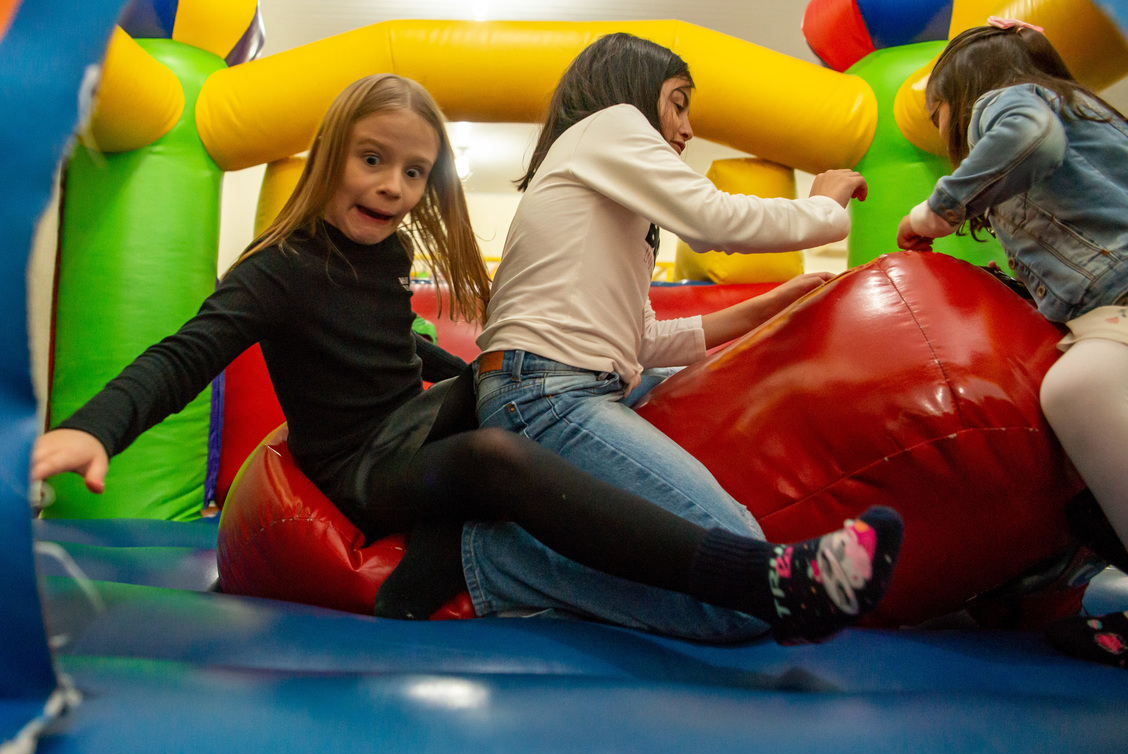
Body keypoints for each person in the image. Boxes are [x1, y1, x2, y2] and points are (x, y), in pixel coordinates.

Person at [31, 73, 899, 647]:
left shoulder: (386, 252)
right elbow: (187, 354)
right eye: (372, 161)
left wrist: (463, 376)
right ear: (333, 153)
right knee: (496, 445)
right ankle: (769, 578)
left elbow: (391, 348)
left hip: (408, 427)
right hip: (361, 467)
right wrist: (93, 429)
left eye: (413, 173)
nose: (392, 188)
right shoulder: (275, 270)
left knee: (532, 380)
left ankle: (448, 545)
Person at [468, 32, 903, 645]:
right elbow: (714, 220)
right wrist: (825, 211)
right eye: (678, 103)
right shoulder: (609, 125)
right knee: (743, 598)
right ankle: (500, 559)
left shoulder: (610, 192)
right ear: (635, 95)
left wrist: (761, 310)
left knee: (717, 408)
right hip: (543, 394)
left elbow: (640, 339)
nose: (688, 128)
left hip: (567, 386)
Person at [897, 18, 1128, 673]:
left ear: (963, 93)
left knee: (1081, 392)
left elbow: (1028, 138)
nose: (946, 128)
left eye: (938, 113)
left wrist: (934, 211)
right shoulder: (1080, 108)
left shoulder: (1006, 103)